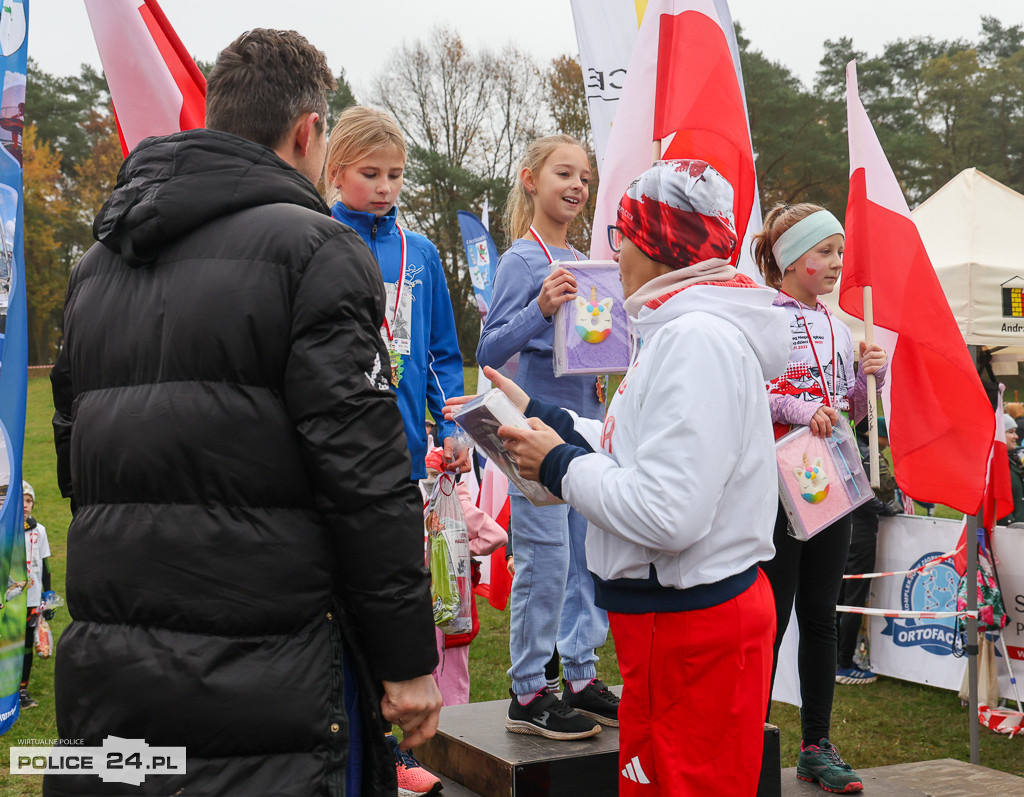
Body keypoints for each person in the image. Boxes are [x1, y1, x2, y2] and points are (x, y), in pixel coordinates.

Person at [49, 29, 440, 796]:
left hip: (119, 669)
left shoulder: (96, 267)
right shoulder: (318, 252)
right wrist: (406, 660)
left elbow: (77, 464)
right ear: (308, 132)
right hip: (273, 680)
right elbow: (366, 477)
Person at [453, 159, 790, 795]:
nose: (615, 255)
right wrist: (540, 416)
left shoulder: (695, 340)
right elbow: (635, 453)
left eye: (622, 236)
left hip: (690, 631)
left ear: (659, 245)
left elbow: (668, 514)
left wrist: (556, 462)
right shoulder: (685, 332)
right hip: (679, 628)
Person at [476, 134, 616, 740]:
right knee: (545, 562)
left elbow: (585, 346)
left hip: (582, 434)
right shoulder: (522, 262)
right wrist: (539, 306)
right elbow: (487, 350)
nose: (578, 185)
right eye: (565, 172)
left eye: (585, 175)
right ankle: (529, 691)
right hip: (531, 437)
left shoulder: (587, 263)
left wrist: (602, 377)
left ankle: (581, 677)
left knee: (587, 561)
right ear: (531, 179)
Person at [754, 202, 888, 795]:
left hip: (832, 485)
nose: (837, 263)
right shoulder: (760, 318)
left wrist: (869, 381)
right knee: (771, 616)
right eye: (824, 251)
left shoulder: (839, 325)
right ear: (790, 258)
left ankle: (816, 744)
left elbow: (848, 412)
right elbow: (756, 392)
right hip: (776, 485)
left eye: (839, 251)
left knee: (822, 618)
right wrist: (801, 409)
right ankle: (748, 737)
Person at [325, 106, 467, 482]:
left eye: (395, 174)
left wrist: (450, 427)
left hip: (405, 455)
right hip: (330, 452)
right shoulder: (315, 239)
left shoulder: (421, 253)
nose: (385, 187)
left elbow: (441, 354)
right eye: (370, 174)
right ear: (334, 173)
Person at [422, 447, 507, 706]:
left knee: (453, 673)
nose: (427, 481)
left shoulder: (461, 506)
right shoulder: (430, 504)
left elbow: (497, 536)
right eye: (425, 475)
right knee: (434, 667)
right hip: (432, 595)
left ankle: (457, 732)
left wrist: (459, 549)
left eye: (432, 474)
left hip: (455, 600)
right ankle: (437, 736)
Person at [835, 418, 898, 686]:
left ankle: (833, 659)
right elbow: (861, 493)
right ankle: (844, 663)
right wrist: (886, 509)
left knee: (838, 596)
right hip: (859, 532)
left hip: (840, 530)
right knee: (853, 599)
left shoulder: (844, 445)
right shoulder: (864, 452)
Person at [20, 481, 51, 710]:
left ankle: (22, 689)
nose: (25, 505)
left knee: (28, 645)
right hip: (10, 601)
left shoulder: (40, 530)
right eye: (21, 500)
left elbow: (45, 566)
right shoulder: (5, 529)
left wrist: (47, 597)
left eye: (29, 500)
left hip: (32, 600)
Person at [998, 413, 1024, 525]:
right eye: (1011, 432)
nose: (1016, 436)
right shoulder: (997, 464)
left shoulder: (1013, 460)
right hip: (1009, 533)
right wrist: (1011, 523)